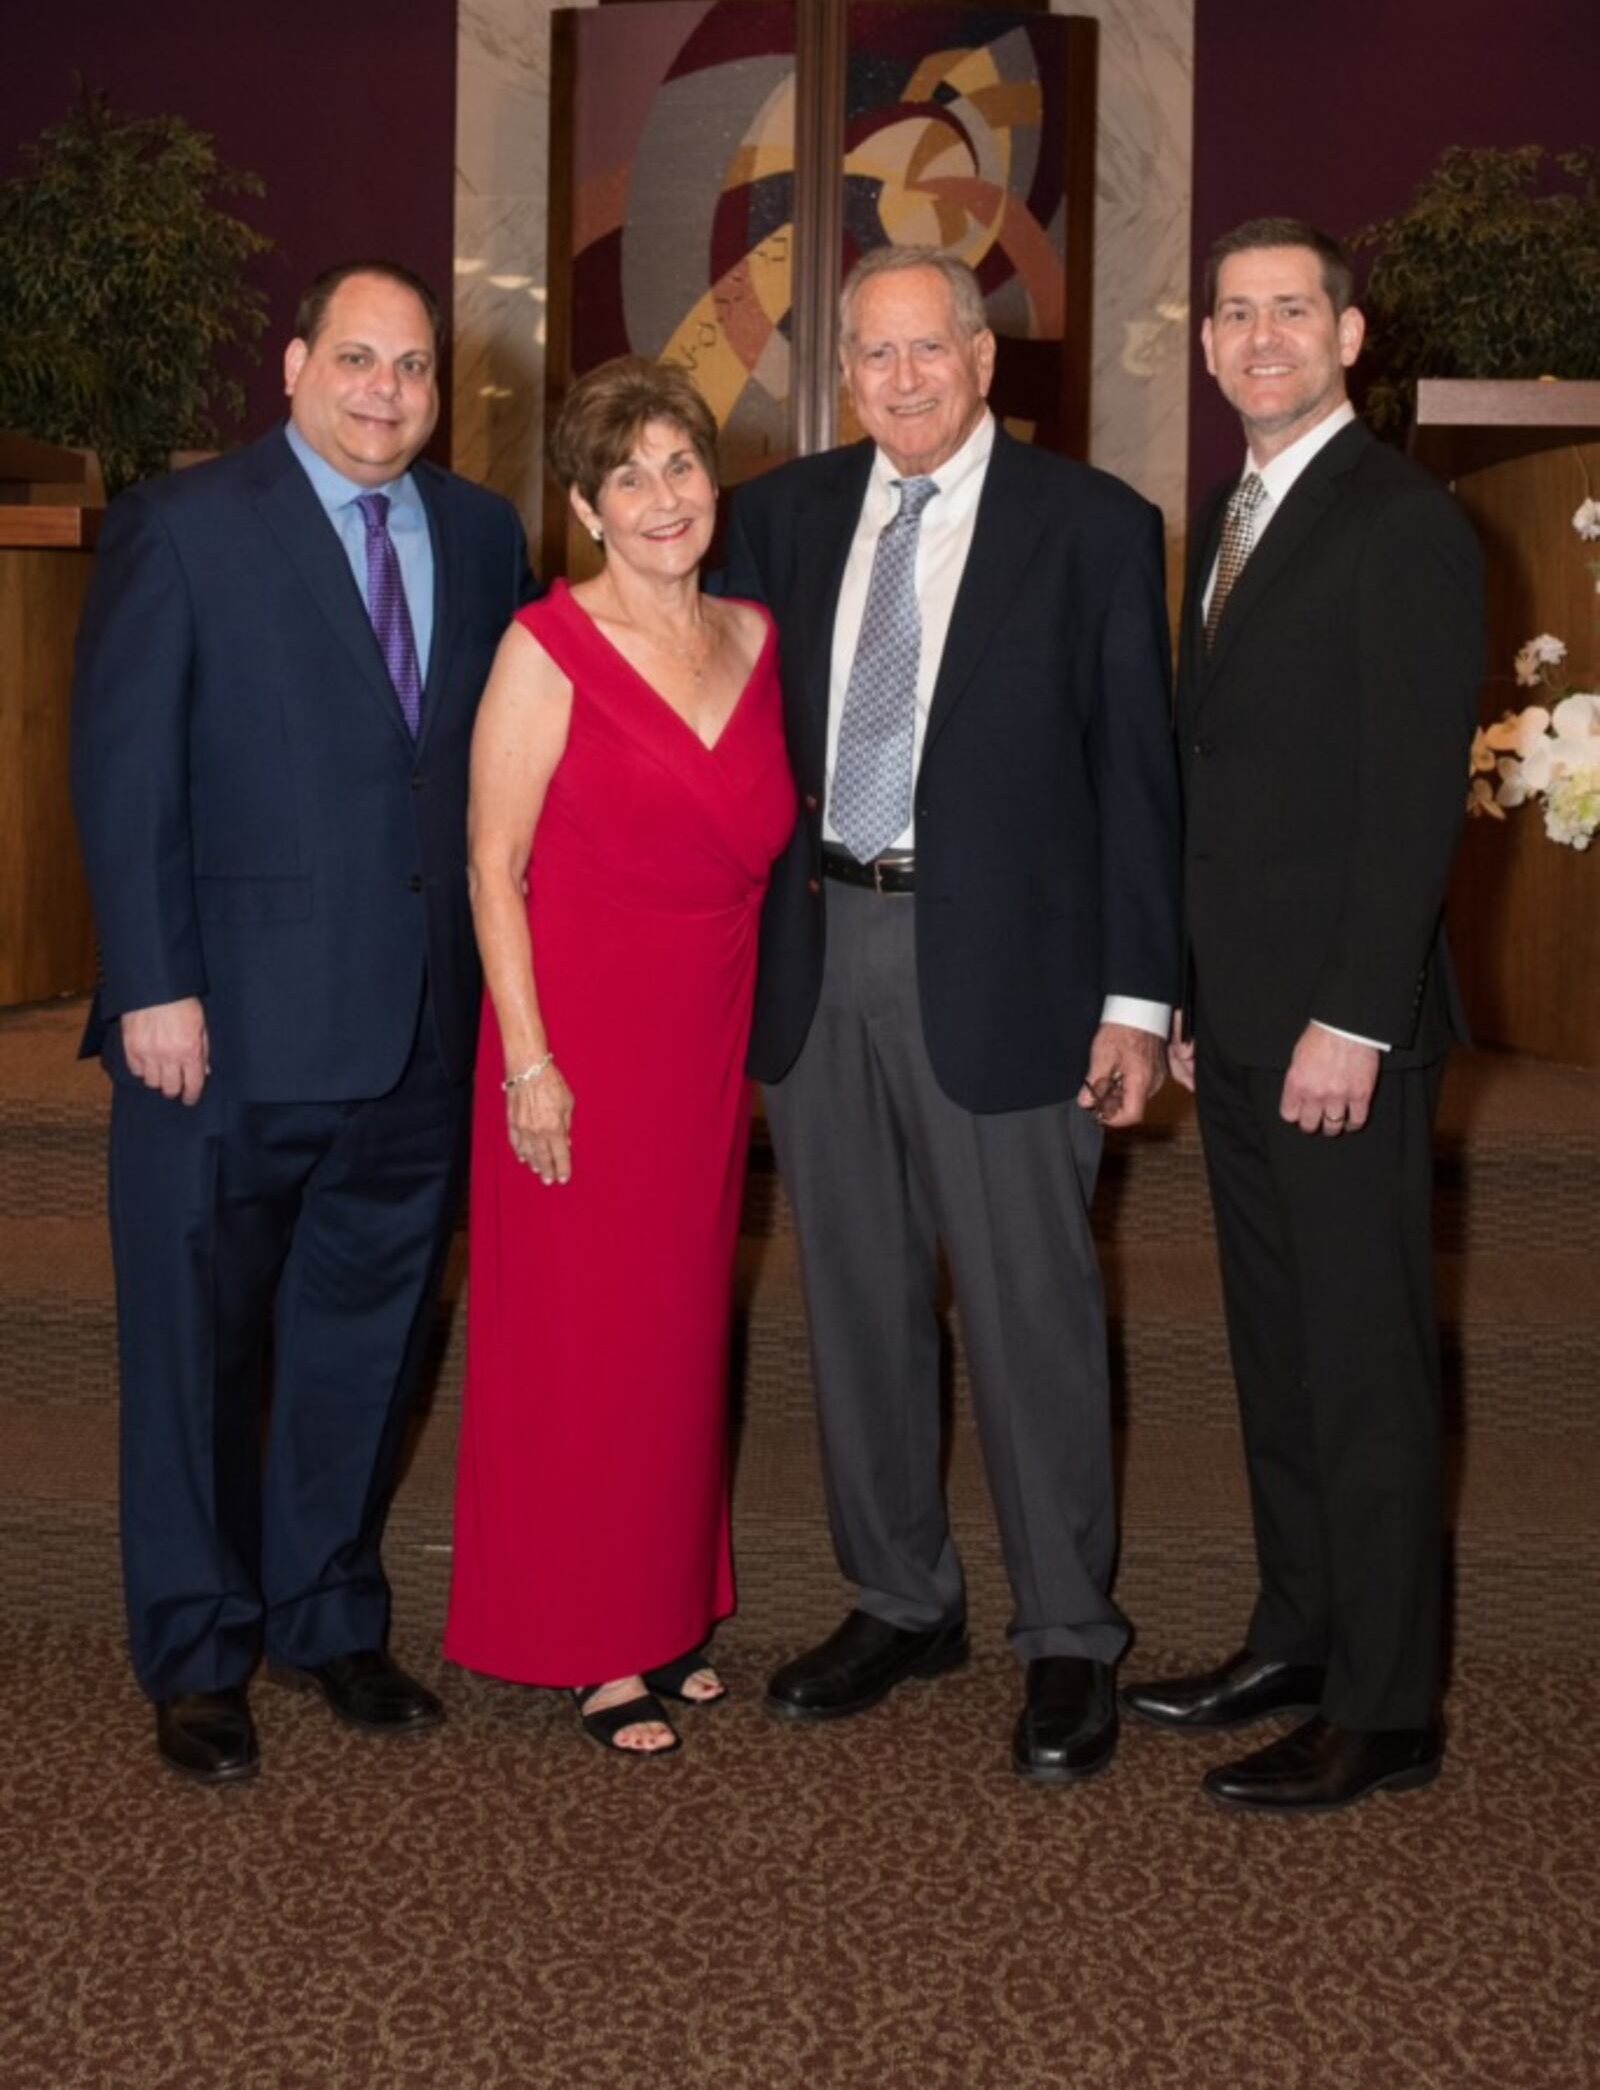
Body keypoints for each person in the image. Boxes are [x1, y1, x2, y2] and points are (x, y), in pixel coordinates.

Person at [71, 261, 536, 1785]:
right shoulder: (185, 526)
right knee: (194, 1349)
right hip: (220, 1029)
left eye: (409, 366)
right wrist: (151, 981)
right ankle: (199, 1646)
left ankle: (328, 1611)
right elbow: (126, 767)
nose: (384, 391)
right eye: (356, 359)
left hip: (416, 1027)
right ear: (292, 366)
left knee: (364, 1343)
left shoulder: (480, 534)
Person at [724, 245, 1182, 1784]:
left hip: (1012, 975)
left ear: (986, 365)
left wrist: (1136, 997)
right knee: (854, 1303)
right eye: (874, 356)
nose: (903, 380)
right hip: (819, 951)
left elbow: (1137, 778)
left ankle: (1067, 1635)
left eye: (930, 351)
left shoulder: (1095, 529)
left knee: (1030, 1312)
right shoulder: (777, 523)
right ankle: (899, 1597)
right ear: (841, 373)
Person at [1120, 219, 1485, 1813]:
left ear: (1351, 336)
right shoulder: (1231, 514)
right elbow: (1228, 786)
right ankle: (1301, 1632)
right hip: (1248, 1015)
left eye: (1293, 311)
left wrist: (1356, 1014)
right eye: (1235, 314)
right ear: (1204, 347)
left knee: (1365, 1367)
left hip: (1344, 1028)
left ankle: (1391, 1704)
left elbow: (1411, 806)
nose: (1260, 336)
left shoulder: (1401, 521)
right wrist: (1196, 992)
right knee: (1278, 1354)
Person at [444, 357, 796, 1758]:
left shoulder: (761, 640)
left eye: (682, 466)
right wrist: (529, 1061)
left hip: (702, 1048)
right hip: (575, 1039)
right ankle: (590, 1643)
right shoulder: (547, 644)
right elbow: (491, 861)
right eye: (629, 476)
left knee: (674, 1338)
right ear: (586, 508)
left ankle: (662, 1607)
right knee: (582, 1342)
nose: (664, 497)